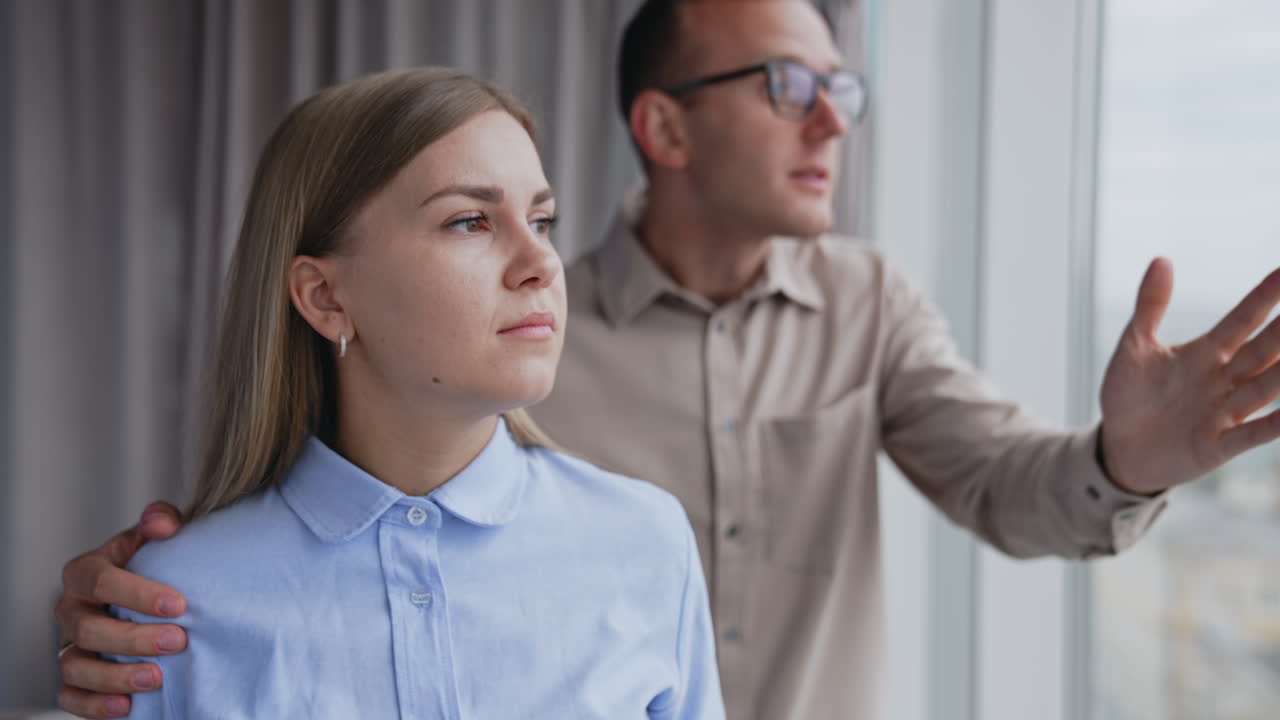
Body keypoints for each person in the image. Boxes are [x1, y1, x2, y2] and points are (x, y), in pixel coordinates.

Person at [54, 1, 1280, 719]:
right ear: (663, 126)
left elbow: (1008, 485)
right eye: (788, 83)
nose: (831, 119)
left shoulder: (867, 304)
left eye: (842, 87)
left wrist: (1132, 457)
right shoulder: (508, 353)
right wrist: (120, 615)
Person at [58, 66, 724, 719]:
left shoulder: (645, 542)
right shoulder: (173, 603)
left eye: (542, 220)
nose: (542, 263)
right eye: (471, 221)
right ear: (324, 297)